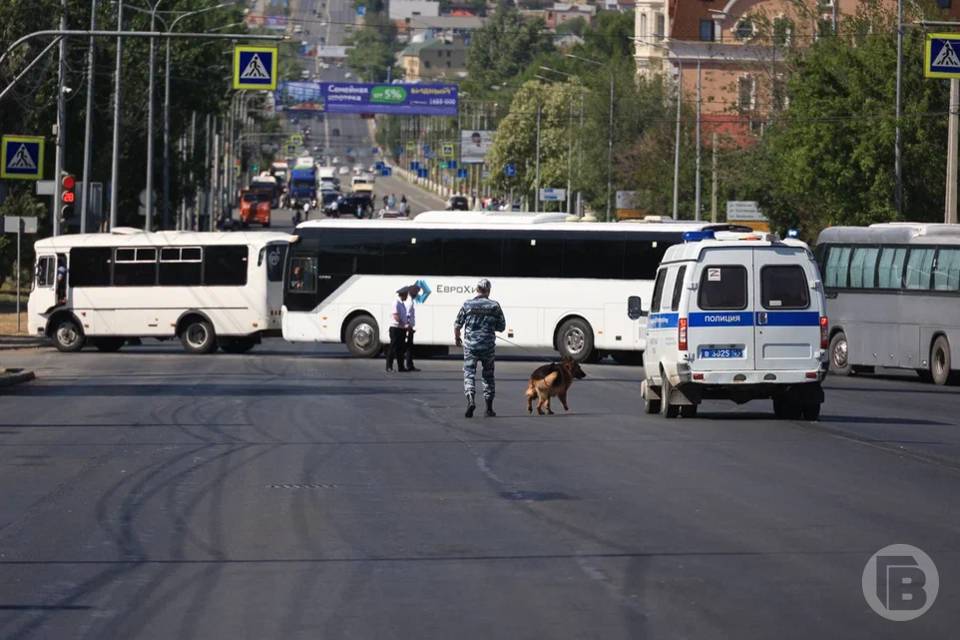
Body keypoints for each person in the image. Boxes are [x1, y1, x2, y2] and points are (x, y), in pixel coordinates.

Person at [454, 278, 506, 418]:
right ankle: (489, 409)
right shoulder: (494, 306)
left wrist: (457, 338)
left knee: (469, 374)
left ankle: (471, 400)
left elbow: (457, 324)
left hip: (471, 346)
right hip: (488, 347)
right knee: (488, 376)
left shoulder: (467, 304)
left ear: (477, 289)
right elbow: (502, 327)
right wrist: (490, 325)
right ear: (488, 290)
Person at [386, 286, 410, 372]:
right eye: (406, 294)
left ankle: (401, 367)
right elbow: (396, 316)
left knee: (401, 349)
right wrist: (404, 324)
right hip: (395, 329)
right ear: (402, 294)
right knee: (393, 348)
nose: (407, 296)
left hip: (401, 329)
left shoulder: (402, 304)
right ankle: (389, 367)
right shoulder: (396, 303)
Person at [404, 284, 421, 372]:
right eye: (416, 292)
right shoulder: (409, 302)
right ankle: (409, 365)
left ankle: (409, 364)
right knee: (409, 347)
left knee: (409, 347)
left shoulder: (409, 301)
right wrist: (408, 327)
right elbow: (407, 315)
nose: (417, 294)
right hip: (408, 328)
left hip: (409, 327)